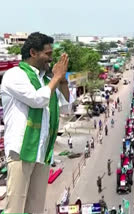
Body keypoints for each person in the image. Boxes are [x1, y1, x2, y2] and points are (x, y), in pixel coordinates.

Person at [1, 32, 70, 213]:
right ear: (33, 52)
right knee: (15, 208)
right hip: (21, 151)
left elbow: (65, 108)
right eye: (47, 54)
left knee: (35, 208)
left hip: (42, 152)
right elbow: (37, 100)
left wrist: (62, 81)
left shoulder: (46, 81)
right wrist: (55, 78)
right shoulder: (14, 75)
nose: (51, 58)